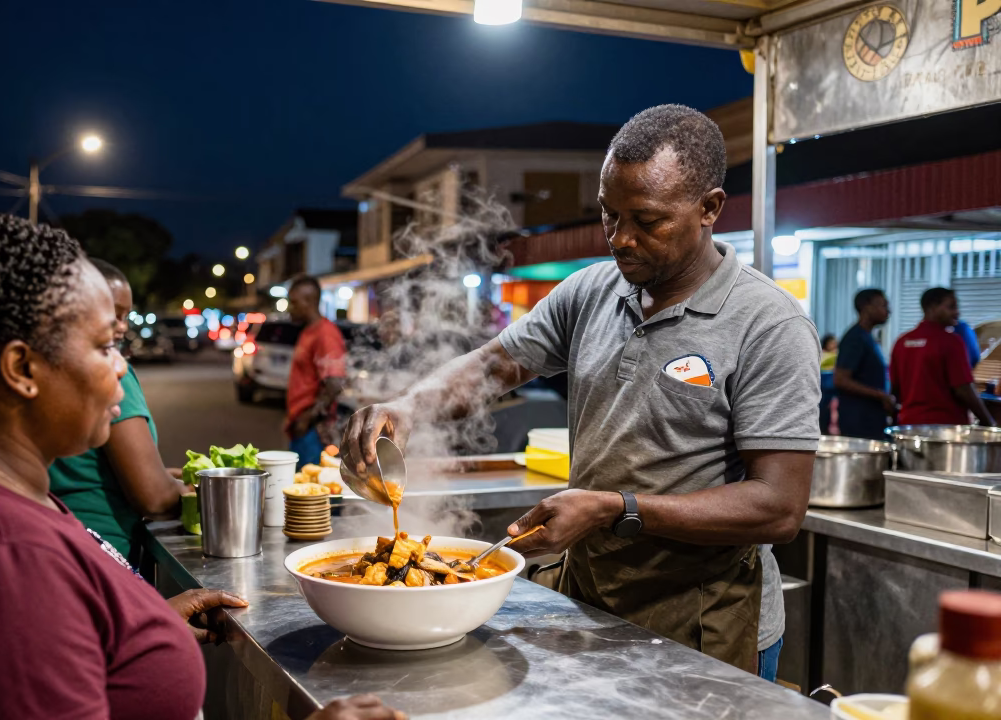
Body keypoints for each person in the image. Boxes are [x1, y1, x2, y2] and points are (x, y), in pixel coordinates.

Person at [0, 214, 401, 720]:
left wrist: (135, 627)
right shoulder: (1, 562)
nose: (122, 369)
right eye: (103, 347)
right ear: (22, 367)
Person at [343, 105, 820, 679]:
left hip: (705, 621)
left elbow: (779, 508)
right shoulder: (593, 290)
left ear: (710, 209)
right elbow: (494, 366)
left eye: (647, 220)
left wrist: (613, 509)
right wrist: (409, 406)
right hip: (590, 600)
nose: (620, 238)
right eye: (608, 214)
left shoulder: (768, 324)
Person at [49, 257, 183, 559]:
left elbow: (96, 471)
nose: (119, 367)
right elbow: (154, 497)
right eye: (111, 315)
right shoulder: (101, 373)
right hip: (103, 554)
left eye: (125, 316)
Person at [890, 288, 996, 427]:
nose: (957, 313)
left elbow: (894, 390)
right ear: (932, 307)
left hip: (908, 425)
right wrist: (988, 422)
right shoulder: (951, 341)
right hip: (945, 429)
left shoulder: (901, 342)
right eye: (951, 307)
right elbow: (963, 388)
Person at [286, 275, 347, 470]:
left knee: (312, 493)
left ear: (310, 301)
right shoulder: (308, 331)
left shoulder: (325, 334)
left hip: (314, 430)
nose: (290, 308)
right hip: (301, 425)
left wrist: (307, 418)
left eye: (294, 302)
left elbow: (335, 383)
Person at [834, 289, 897, 440]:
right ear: (866, 307)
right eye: (883, 305)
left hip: (870, 419)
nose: (888, 311)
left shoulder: (868, 337)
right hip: (858, 422)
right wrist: (880, 395)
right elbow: (841, 379)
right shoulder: (855, 338)